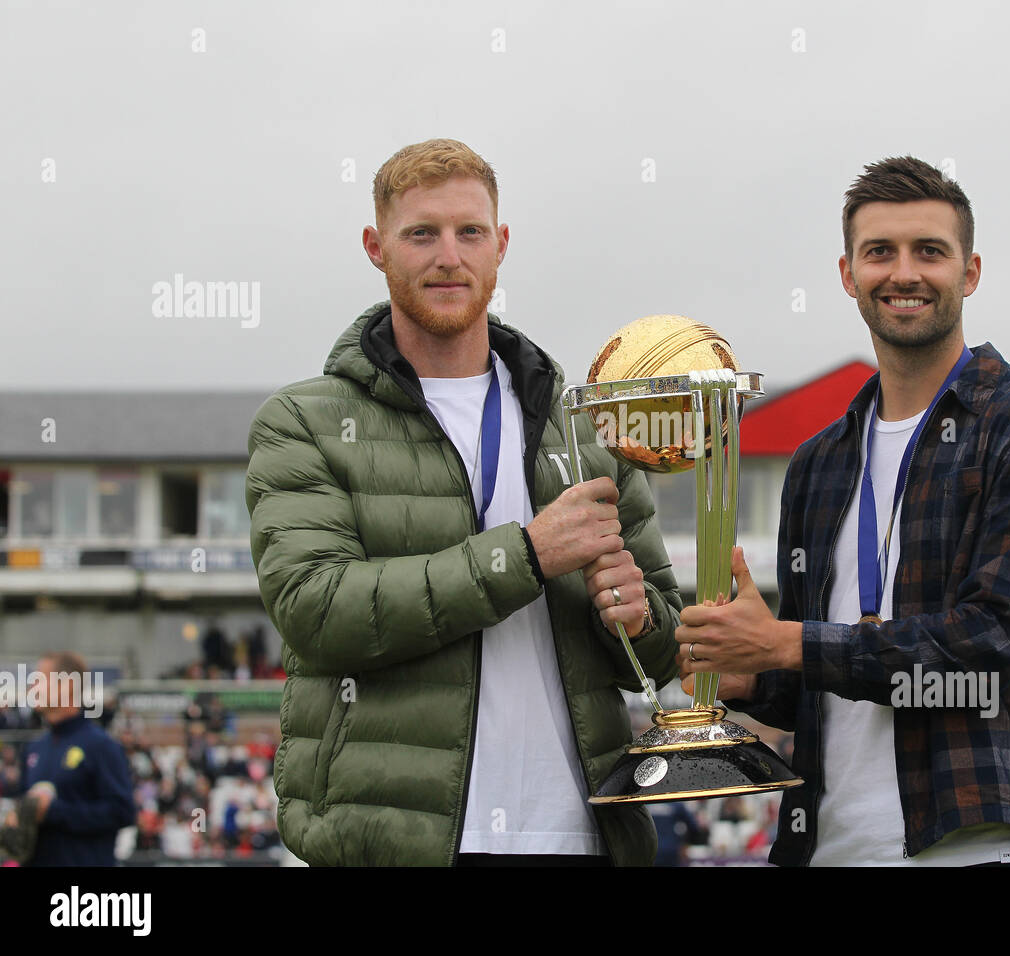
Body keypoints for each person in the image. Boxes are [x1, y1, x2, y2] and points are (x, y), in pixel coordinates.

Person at [245, 138, 682, 866]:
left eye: (469, 232)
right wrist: (528, 555)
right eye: (422, 233)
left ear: (500, 245)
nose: (449, 256)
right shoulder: (304, 420)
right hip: (396, 840)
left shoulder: (584, 427)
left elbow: (664, 652)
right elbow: (316, 611)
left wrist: (635, 617)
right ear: (376, 247)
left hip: (580, 834)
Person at [674, 156, 1010, 866]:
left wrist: (784, 644)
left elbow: (990, 645)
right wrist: (750, 675)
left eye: (929, 251)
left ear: (970, 272)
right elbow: (822, 680)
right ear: (848, 275)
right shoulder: (819, 461)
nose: (904, 273)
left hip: (977, 844)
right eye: (880, 252)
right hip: (827, 847)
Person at [6, 652, 135, 866]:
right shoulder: (34, 748)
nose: (32, 688)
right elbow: (25, 805)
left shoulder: (101, 746)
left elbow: (122, 813)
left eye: (39, 680)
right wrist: (17, 817)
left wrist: (54, 811)